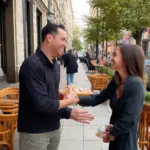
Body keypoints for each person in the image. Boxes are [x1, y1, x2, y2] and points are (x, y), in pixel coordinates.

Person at [18, 23, 94, 150]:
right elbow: (43, 103)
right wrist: (70, 100)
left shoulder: (56, 65)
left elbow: (51, 98)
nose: (65, 44)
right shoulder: (31, 65)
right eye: (63, 39)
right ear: (49, 38)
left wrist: (69, 112)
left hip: (54, 128)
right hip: (35, 134)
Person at [76, 44, 145, 150]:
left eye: (114, 55)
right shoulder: (117, 80)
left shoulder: (135, 84)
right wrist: (75, 98)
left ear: (126, 59)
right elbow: (98, 98)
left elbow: (128, 120)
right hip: (115, 139)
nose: (111, 58)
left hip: (126, 143)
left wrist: (111, 132)